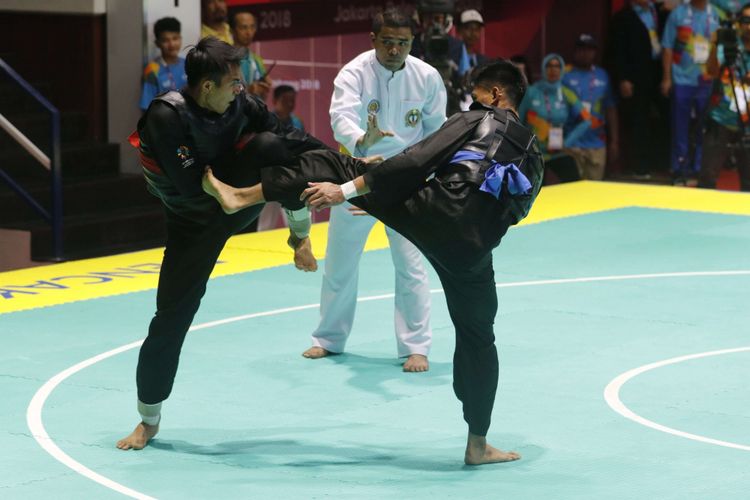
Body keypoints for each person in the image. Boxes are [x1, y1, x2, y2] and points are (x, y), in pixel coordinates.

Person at [202, 59, 544, 465]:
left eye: (477, 95)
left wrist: (348, 191)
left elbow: (418, 158)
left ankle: (243, 196)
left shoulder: (476, 118)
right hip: (473, 248)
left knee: (334, 162)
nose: (472, 102)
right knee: (479, 340)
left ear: (496, 95)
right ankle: (477, 444)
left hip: (432, 212)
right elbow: (517, 210)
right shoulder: (535, 153)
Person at [116, 37, 328, 451]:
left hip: (237, 201)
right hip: (192, 224)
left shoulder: (240, 105)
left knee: (275, 147)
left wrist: (349, 166)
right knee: (170, 320)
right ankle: (148, 419)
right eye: (233, 82)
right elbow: (187, 180)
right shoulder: (166, 114)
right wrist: (222, 190)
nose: (241, 89)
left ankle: (299, 236)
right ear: (206, 86)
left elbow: (290, 139)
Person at [303, 9, 447, 373]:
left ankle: (415, 347)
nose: (395, 49)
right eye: (387, 42)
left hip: (406, 182)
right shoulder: (354, 72)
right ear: (373, 39)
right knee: (340, 262)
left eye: (403, 43)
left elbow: (437, 131)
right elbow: (340, 118)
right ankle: (328, 338)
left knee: (411, 265)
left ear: (412, 43)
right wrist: (360, 139)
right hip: (357, 178)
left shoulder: (427, 77)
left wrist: (428, 176)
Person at [661, 0, 720, 185]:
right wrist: (666, 78)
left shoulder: (716, 14)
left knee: (705, 127)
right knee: (680, 125)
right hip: (682, 78)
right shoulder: (678, 14)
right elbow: (668, 46)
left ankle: (700, 168)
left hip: (707, 79)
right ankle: (679, 168)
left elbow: (719, 49)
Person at [610, 0, 666, 179]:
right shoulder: (623, 17)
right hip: (635, 76)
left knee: (661, 118)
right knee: (638, 120)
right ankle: (639, 166)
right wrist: (622, 78)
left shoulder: (657, 11)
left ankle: (659, 163)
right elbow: (617, 50)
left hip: (658, 72)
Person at [699, 3, 750, 191]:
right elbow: (711, 71)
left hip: (748, 122)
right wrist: (714, 44)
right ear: (738, 22)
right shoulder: (729, 44)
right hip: (721, 117)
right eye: (745, 20)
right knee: (707, 179)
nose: (749, 26)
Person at [518, 54, 591, 184]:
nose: (553, 70)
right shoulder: (531, 92)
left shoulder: (566, 93)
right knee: (535, 193)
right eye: (549, 66)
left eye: (557, 66)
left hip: (558, 151)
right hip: (534, 153)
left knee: (575, 187)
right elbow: (517, 120)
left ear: (562, 69)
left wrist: (568, 142)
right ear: (543, 69)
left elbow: (586, 120)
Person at [562, 34, 619, 181]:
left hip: (597, 142)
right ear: (575, 51)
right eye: (581, 49)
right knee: (571, 191)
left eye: (589, 49)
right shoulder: (565, 75)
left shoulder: (603, 75)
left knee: (594, 191)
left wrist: (614, 141)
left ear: (594, 52)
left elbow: (610, 108)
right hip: (572, 142)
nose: (585, 53)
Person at [139, 17, 188, 112]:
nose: (172, 44)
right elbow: (147, 107)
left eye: (175, 38)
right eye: (166, 40)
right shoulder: (152, 70)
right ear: (157, 43)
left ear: (180, 39)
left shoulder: (188, 63)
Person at [230, 10, 272, 100]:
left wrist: (264, 87)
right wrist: (248, 90)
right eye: (243, 27)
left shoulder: (256, 60)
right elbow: (223, 94)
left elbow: (263, 96)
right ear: (232, 30)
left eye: (252, 27)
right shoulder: (225, 59)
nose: (249, 32)